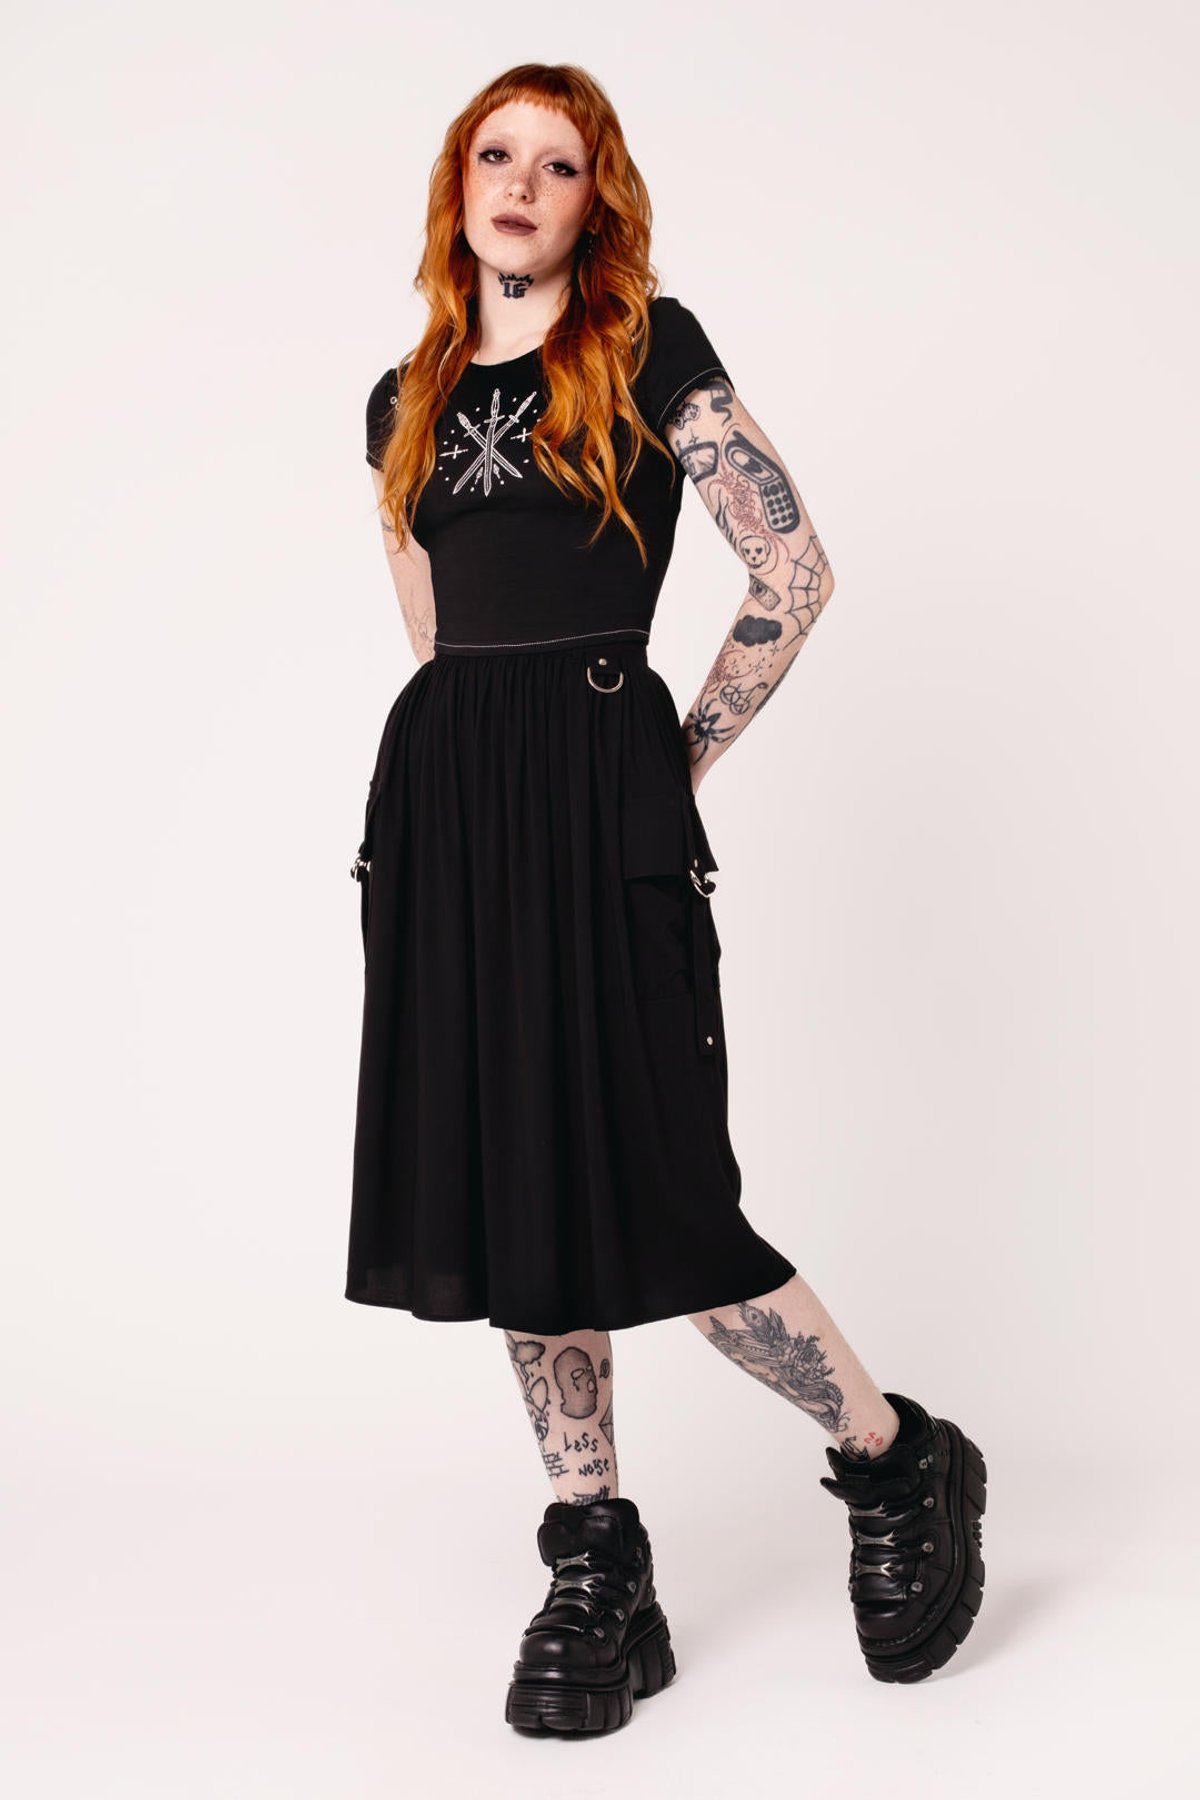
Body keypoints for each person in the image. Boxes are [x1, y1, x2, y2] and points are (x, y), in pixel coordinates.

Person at [347, 63, 987, 1736]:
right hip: (453, 825)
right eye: (495, 155)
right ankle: (597, 1561)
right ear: (458, 184)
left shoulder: (646, 349)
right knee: (515, 1193)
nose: (519, 185)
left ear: (596, 201)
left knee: (669, 1202)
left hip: (602, 810)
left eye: (556, 165)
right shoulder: (401, 401)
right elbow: (436, 642)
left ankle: (896, 1458)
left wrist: (662, 764)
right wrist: (474, 807)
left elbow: (794, 568)